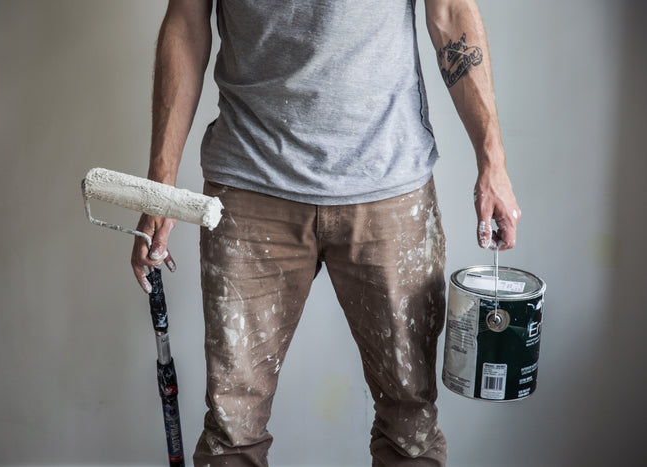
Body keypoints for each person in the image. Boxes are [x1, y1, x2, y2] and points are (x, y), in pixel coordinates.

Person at [131, 0, 520, 465]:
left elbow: (452, 11)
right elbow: (188, 19)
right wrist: (161, 179)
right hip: (250, 181)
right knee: (231, 435)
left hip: (388, 186)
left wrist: (492, 161)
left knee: (409, 429)